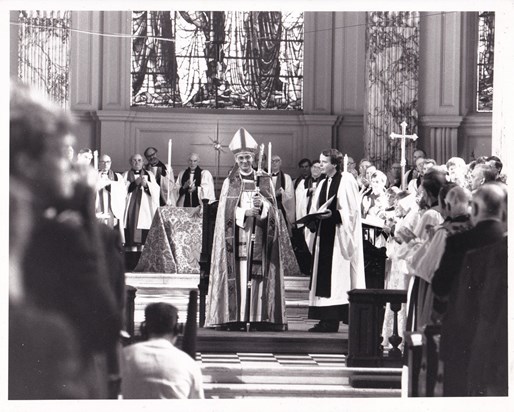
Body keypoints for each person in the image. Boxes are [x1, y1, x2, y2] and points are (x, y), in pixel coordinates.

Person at [11, 81, 120, 398]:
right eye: (61, 153)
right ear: (26, 164)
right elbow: (104, 327)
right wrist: (85, 210)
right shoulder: (58, 235)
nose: (72, 164)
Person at [205, 128, 290, 331]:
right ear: (236, 159)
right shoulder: (229, 182)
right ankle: (236, 318)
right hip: (237, 238)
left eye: (247, 157)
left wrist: (263, 208)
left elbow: (274, 213)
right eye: (241, 158)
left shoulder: (265, 180)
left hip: (259, 237)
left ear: (253, 158)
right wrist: (244, 213)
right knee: (240, 276)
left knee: (256, 278)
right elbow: (223, 214)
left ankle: (259, 317)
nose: (244, 161)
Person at [431, 183, 507, 396]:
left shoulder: (459, 241)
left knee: (458, 390)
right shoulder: (504, 242)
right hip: (499, 334)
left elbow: (440, 285)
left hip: (460, 326)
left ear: (474, 208)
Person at [304, 149, 365, 332]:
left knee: (336, 278)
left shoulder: (346, 180)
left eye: (324, 162)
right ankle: (324, 319)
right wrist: (313, 219)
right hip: (324, 235)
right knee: (323, 277)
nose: (321, 165)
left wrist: (336, 214)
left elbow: (352, 211)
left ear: (335, 164)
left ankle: (333, 320)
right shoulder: (323, 183)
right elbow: (316, 207)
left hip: (338, 238)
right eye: (320, 161)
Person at [121, 303, 204, 399]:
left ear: (143, 328)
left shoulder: (125, 355)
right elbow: (198, 404)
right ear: (178, 329)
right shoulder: (188, 363)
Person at [123, 154, 160, 250]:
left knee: (143, 242)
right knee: (130, 242)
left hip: (144, 209)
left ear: (143, 162)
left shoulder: (149, 174)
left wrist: (147, 185)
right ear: (131, 162)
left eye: (139, 160)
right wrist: (135, 183)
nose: (137, 162)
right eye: (134, 160)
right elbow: (121, 191)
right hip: (130, 209)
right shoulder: (126, 174)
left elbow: (156, 190)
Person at [96, 154, 126, 232]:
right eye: (102, 162)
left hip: (112, 207)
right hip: (97, 207)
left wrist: (110, 186)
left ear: (111, 163)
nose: (105, 164)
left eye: (107, 162)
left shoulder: (117, 176)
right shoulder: (93, 175)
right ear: (98, 163)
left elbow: (123, 192)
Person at [270, 154, 296, 232]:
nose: (274, 163)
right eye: (272, 161)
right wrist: (274, 193)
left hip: (282, 207)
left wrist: (282, 193)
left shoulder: (286, 177)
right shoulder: (267, 177)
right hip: (270, 209)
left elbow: (290, 196)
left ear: (280, 163)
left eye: (277, 161)